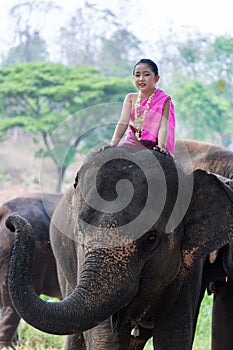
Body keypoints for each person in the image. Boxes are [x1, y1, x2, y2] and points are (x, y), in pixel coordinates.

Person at [111, 58, 176, 155]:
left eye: (146, 74)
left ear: (156, 78)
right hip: (131, 142)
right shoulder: (130, 98)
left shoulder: (164, 99)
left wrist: (161, 147)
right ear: (134, 78)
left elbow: (163, 126)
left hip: (152, 144)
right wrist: (113, 144)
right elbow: (123, 122)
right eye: (137, 75)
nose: (141, 79)